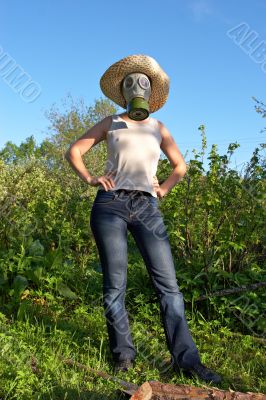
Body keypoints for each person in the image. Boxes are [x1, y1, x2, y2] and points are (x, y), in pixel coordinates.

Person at [65, 54, 222, 384]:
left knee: (169, 287)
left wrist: (163, 188)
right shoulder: (111, 122)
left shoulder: (158, 127)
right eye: (132, 83)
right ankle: (123, 356)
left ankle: (186, 360)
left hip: (147, 208)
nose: (138, 87)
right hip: (111, 205)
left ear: (150, 93)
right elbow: (74, 151)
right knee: (114, 286)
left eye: (143, 83)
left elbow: (180, 165)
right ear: (124, 92)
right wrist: (91, 178)